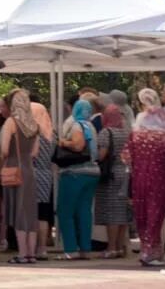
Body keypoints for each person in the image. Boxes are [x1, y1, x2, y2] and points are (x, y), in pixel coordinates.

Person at [55, 96, 100, 260]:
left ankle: (71, 249)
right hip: (93, 171)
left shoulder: (77, 125)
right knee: (84, 211)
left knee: (65, 211)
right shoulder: (91, 126)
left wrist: (63, 143)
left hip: (75, 172)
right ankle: (85, 249)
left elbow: (78, 145)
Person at [0, 89, 39, 263]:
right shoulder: (34, 125)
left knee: (18, 211)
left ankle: (22, 253)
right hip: (29, 169)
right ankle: (32, 253)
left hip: (14, 168)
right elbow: (35, 153)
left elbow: (5, 150)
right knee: (30, 211)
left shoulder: (11, 123)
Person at [131, 89, 165, 268]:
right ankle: (151, 252)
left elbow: (126, 155)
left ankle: (148, 249)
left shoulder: (137, 129)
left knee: (143, 212)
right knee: (155, 212)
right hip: (159, 176)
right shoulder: (164, 130)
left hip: (140, 175)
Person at [95, 100, 132, 258]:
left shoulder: (106, 132)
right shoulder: (126, 132)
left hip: (110, 175)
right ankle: (120, 247)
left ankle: (111, 247)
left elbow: (102, 155)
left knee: (112, 213)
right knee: (123, 213)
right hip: (125, 173)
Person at [29, 101, 55, 261]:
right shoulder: (52, 133)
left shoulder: (34, 134)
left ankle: (33, 247)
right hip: (47, 173)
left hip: (34, 173)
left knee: (34, 213)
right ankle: (42, 248)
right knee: (44, 213)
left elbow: (32, 155)